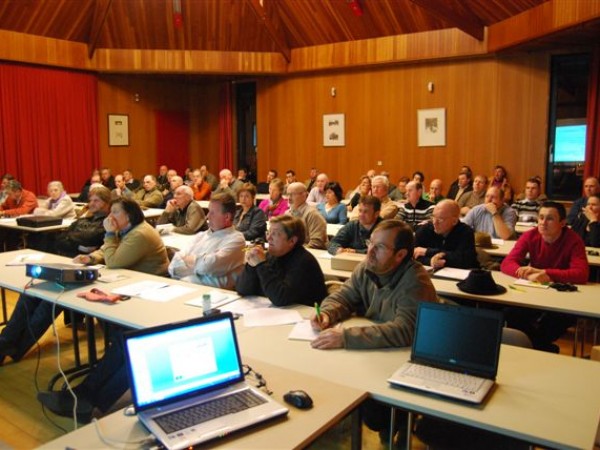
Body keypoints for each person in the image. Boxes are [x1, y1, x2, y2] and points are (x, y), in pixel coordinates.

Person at [1, 196, 169, 366]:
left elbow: (114, 261)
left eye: (116, 212)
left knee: (55, 298)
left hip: (145, 285)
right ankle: (6, 343)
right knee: (34, 292)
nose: (110, 216)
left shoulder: (140, 233)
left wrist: (109, 234)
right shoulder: (125, 228)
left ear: (130, 215)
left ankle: (12, 346)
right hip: (123, 278)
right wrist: (89, 258)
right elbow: (105, 251)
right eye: (110, 211)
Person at [310, 220, 438, 442]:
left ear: (400, 255)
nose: (370, 251)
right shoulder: (369, 266)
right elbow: (344, 296)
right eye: (371, 243)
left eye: (379, 247)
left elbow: (405, 331)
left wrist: (346, 336)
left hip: (406, 362)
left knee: (375, 413)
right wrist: (328, 314)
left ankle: (395, 423)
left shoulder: (415, 282)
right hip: (375, 353)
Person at [500, 201, 589, 352]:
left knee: (553, 322)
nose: (543, 223)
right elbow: (507, 263)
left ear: (562, 223)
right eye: (541, 217)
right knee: (510, 313)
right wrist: (527, 274)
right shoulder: (531, 235)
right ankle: (543, 349)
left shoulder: (574, 240)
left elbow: (581, 274)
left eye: (550, 218)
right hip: (533, 291)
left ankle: (538, 348)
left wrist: (547, 274)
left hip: (562, 295)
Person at [236, 215, 327, 306]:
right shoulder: (268, 255)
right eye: (268, 232)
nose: (268, 238)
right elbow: (242, 289)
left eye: (275, 234)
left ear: (292, 241)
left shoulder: (304, 262)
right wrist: (251, 265)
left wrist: (261, 265)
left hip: (304, 315)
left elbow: (280, 298)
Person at [168, 193, 245, 289]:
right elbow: (173, 267)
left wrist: (189, 261)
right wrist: (201, 266)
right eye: (208, 211)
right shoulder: (200, 236)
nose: (207, 216)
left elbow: (209, 266)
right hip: (183, 288)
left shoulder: (236, 240)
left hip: (212, 296)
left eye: (212, 212)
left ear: (227, 217)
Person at [414, 199, 479, 269]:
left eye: (440, 219)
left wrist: (427, 251)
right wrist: (430, 261)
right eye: (433, 217)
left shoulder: (465, 232)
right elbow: (411, 255)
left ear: (454, 221)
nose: (434, 222)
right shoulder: (425, 229)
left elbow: (465, 260)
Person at [286, 182, 328, 250]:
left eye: (292, 194)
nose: (289, 198)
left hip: (310, 254)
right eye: (288, 194)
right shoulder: (287, 214)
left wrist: (296, 253)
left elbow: (317, 242)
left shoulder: (313, 214)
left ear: (304, 195)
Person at [0, 180, 38, 250]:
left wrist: (3, 213)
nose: (8, 196)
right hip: (12, 224)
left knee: (10, 234)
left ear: (17, 191)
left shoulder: (29, 196)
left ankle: (10, 253)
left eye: (10, 194)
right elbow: (3, 206)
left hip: (27, 226)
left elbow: (23, 211)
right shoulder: (10, 198)